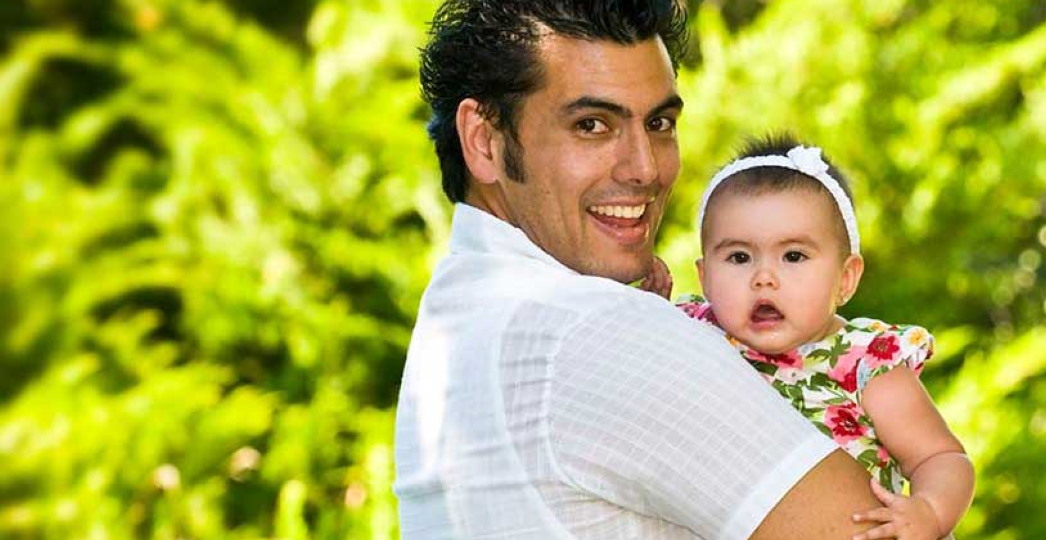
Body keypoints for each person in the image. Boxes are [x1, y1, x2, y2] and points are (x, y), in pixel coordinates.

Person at [393, 1, 881, 538]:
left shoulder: (461, 323)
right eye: (592, 125)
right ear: (484, 141)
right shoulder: (587, 328)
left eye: (659, 123)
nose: (645, 169)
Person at [668, 136, 973, 540]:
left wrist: (929, 511)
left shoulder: (865, 363)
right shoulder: (692, 332)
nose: (764, 277)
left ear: (845, 279)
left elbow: (942, 457)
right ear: (704, 277)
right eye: (739, 257)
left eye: (793, 256)